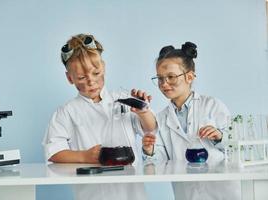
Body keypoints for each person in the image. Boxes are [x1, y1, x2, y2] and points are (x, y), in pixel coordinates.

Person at [42, 33, 157, 200]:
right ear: (69, 78)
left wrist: (143, 110)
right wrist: (84, 156)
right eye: (81, 77)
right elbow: (53, 152)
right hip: (92, 192)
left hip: (131, 191)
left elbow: (150, 127)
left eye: (96, 73)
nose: (91, 81)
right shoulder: (67, 111)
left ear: (103, 67)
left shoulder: (124, 98)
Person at [142, 42, 241, 200]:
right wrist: (150, 150)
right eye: (160, 79)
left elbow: (237, 147)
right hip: (186, 193)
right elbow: (160, 162)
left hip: (221, 191)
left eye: (171, 77)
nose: (164, 84)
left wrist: (219, 137)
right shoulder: (161, 118)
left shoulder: (212, 105)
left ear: (189, 77)